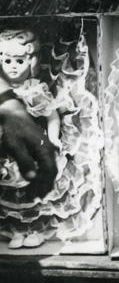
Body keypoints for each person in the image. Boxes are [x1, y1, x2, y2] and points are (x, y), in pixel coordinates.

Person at [0, 29, 102, 248]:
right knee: (13, 192)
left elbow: (52, 116)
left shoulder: (35, 89)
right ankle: (17, 230)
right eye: (7, 61)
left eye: (19, 61)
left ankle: (36, 229)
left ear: (32, 62)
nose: (13, 66)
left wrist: (54, 138)